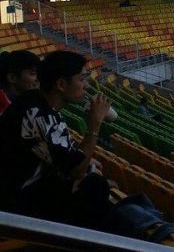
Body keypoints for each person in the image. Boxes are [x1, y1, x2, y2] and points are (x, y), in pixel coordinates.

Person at [0, 50, 113, 228]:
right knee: (96, 188)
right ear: (61, 84)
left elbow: (61, 153)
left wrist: (86, 166)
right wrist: (94, 125)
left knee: (94, 182)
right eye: (81, 79)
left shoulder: (34, 102)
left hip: (18, 189)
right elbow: (76, 171)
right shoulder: (39, 114)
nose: (86, 86)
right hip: (16, 203)